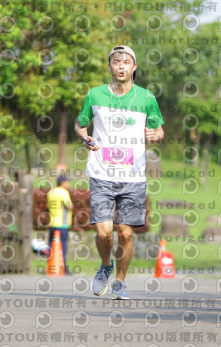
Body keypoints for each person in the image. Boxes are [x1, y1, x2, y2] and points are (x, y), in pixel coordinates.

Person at [74, 45, 164, 299]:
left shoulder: (146, 98)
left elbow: (159, 131)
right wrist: (85, 137)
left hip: (133, 176)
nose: (121, 66)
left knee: (125, 232)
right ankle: (105, 266)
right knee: (103, 232)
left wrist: (154, 135)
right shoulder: (95, 94)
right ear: (110, 66)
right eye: (116, 62)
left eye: (126, 62)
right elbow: (80, 125)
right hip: (101, 173)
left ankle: (120, 281)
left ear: (134, 67)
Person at [46, 175, 73, 274]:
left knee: (52, 246)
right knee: (62, 247)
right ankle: (63, 269)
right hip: (63, 224)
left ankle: (51, 267)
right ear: (63, 182)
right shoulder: (63, 192)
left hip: (52, 223)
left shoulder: (51, 192)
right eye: (67, 181)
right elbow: (69, 206)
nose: (69, 184)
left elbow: (48, 206)